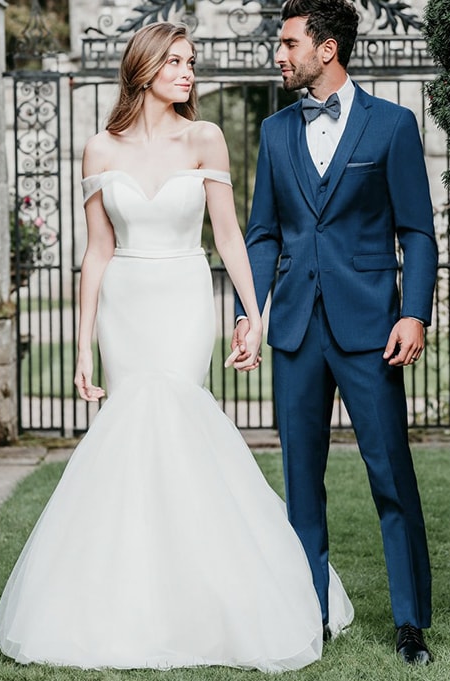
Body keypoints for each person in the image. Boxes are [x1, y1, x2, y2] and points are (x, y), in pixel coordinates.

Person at [0, 21, 353, 672]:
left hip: (184, 296)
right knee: (129, 437)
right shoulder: (99, 149)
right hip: (125, 301)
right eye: (177, 62)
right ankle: (125, 597)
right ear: (145, 68)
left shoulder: (205, 137)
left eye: (192, 62)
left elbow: (229, 235)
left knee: (181, 423)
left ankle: (213, 591)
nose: (189, 73)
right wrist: (80, 348)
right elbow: (96, 252)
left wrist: (253, 311)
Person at [234, 0, 438, 666]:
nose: (278, 53)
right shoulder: (272, 133)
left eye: (288, 42)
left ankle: (409, 622)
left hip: (369, 327)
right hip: (294, 328)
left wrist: (412, 311)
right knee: (301, 481)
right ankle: (308, 612)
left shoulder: (392, 126)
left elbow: (416, 229)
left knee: (390, 476)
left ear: (325, 50)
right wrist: (250, 311)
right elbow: (263, 233)